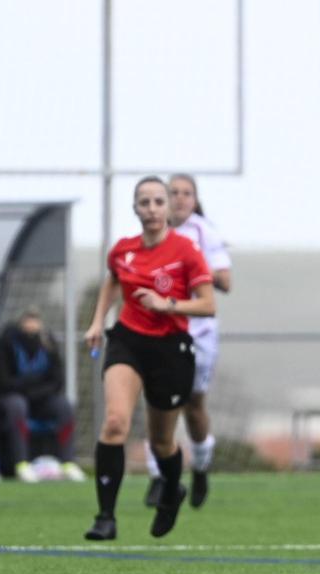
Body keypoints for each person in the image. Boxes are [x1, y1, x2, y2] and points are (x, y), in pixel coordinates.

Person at [83, 176, 215, 540]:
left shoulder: (186, 250)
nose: (153, 209)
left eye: (159, 202)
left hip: (171, 348)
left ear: (168, 208)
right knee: (114, 422)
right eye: (145, 202)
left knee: (161, 442)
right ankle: (105, 518)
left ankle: (172, 492)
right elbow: (113, 279)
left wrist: (167, 304)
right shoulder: (123, 249)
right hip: (127, 342)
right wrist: (98, 322)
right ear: (136, 208)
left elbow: (208, 304)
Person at [144, 174, 232, 509]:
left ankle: (201, 467)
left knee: (193, 407)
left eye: (186, 193)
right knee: (158, 404)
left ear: (194, 200)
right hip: (160, 331)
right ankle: (159, 477)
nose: (180, 199)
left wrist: (190, 267)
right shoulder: (151, 234)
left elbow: (225, 281)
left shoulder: (203, 232)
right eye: (174, 193)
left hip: (198, 333)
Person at [0, 307, 84, 482]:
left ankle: (68, 462)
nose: (32, 323)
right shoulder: (5, 343)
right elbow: (2, 381)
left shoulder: (47, 343)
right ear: (21, 321)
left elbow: (56, 380)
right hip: (12, 397)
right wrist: (31, 385)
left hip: (41, 398)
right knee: (17, 406)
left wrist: (36, 389)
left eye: (35, 319)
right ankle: (21, 463)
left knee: (64, 407)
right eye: (28, 319)